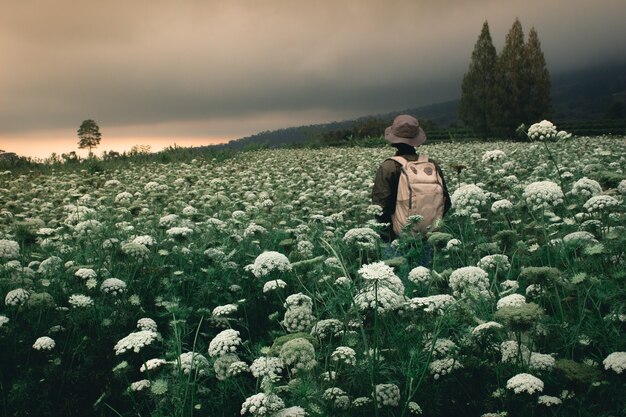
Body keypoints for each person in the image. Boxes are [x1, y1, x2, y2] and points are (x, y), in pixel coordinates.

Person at [371, 114, 451, 243]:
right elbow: (446, 202)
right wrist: (430, 225)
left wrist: (388, 237)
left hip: (397, 239)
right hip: (430, 237)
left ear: (393, 140)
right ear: (417, 139)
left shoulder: (388, 166)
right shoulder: (431, 165)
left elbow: (380, 207)